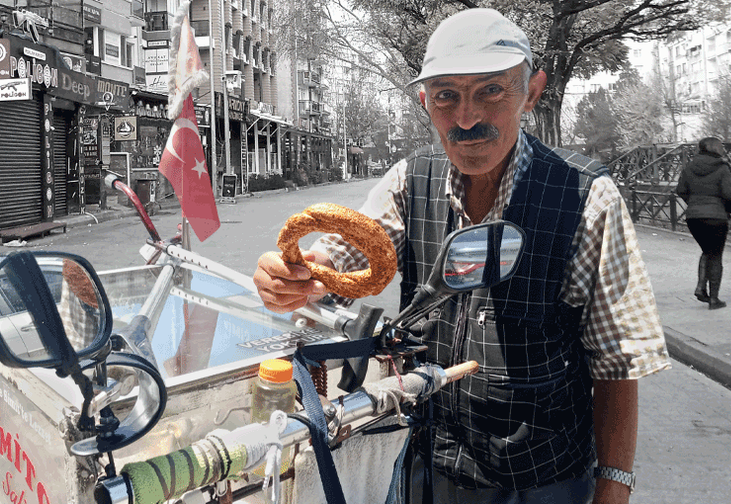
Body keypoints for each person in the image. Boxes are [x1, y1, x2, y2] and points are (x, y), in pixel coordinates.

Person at [253, 8, 671, 504]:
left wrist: (614, 488)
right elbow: (339, 258)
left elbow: (617, 364)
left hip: (547, 477)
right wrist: (294, 277)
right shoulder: (410, 180)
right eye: (447, 96)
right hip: (432, 466)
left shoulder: (587, 197)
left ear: (531, 94)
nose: (467, 118)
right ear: (425, 101)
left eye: (491, 91)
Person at [675, 137, 731, 309]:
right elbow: (728, 194)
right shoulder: (723, 168)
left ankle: (701, 287)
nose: (723, 149)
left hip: (694, 218)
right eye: (721, 146)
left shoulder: (689, 167)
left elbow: (681, 190)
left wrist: (694, 203)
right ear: (715, 148)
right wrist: (726, 210)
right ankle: (714, 299)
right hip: (716, 217)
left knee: (707, 250)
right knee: (715, 255)